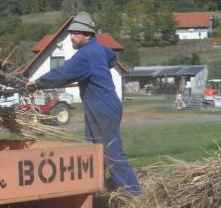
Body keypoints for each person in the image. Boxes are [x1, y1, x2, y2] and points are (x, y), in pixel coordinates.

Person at [27, 12, 140, 195]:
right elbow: (113, 58)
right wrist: (97, 71)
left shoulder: (85, 55)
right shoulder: (99, 49)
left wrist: (37, 83)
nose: (71, 37)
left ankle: (135, 195)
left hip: (102, 107)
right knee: (94, 149)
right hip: (104, 105)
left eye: (75, 33)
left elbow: (62, 74)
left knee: (111, 151)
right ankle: (99, 187)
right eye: (71, 33)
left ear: (87, 35)